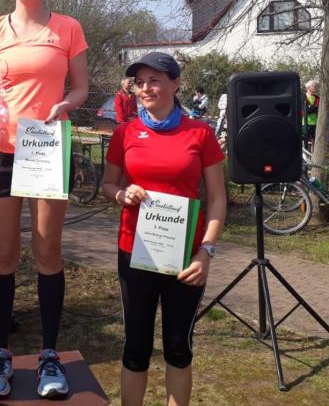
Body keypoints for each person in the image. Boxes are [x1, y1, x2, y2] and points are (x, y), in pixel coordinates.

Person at [0, 0, 89, 399]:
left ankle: (49, 355)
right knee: (3, 255)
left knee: (47, 253)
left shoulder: (68, 28)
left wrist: (65, 105)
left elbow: (80, 88)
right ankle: (0, 354)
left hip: (46, 151)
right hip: (0, 154)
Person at [100, 52, 226, 406]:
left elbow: (217, 199)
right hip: (135, 250)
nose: (145, 88)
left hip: (186, 258)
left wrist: (206, 252)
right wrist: (122, 194)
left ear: (176, 84)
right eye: (139, 82)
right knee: (136, 345)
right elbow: (108, 184)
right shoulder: (124, 132)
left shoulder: (200, 133)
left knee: (178, 346)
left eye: (154, 80)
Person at [303, 80, 320, 149]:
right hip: (304, 123)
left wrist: (311, 108)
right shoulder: (303, 97)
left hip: (315, 123)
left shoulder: (317, 98)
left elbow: (318, 110)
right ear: (308, 87)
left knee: (315, 141)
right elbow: (305, 111)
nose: (316, 87)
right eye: (314, 86)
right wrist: (314, 107)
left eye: (316, 86)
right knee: (305, 142)